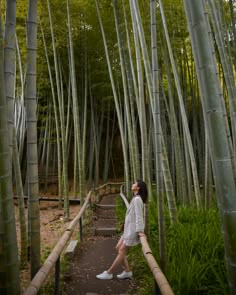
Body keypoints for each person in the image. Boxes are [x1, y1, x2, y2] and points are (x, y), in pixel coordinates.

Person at [96, 179, 148, 280]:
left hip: (132, 230)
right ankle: (127, 271)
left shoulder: (137, 199)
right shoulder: (136, 197)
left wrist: (140, 231)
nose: (133, 184)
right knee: (117, 248)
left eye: (135, 183)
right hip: (128, 229)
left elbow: (139, 216)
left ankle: (109, 272)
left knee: (122, 251)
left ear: (138, 187)